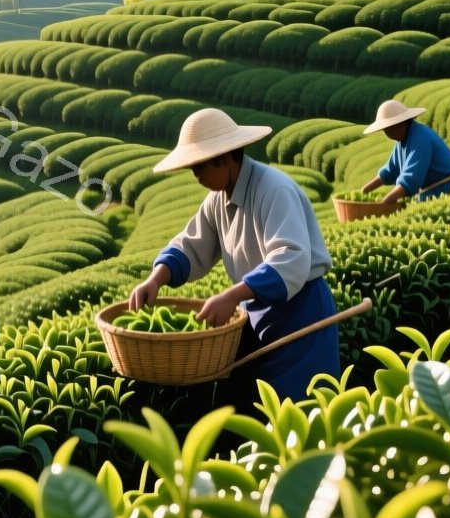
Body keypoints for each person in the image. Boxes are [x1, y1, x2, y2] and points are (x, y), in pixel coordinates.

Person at [128, 108, 337, 405]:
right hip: (257, 313)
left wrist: (232, 295)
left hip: (301, 316)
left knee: (299, 407)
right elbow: (191, 244)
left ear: (224, 158)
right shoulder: (218, 199)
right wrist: (156, 278)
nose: (197, 176)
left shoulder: (275, 190)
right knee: (253, 406)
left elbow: (290, 258)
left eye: (200, 167)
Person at [359, 100, 450, 203]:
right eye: (385, 129)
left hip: (448, 190)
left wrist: (383, 203)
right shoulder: (402, 140)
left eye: (389, 128)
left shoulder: (420, 137)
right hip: (430, 194)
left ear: (401, 123)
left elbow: (410, 179)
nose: (387, 132)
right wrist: (363, 191)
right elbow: (390, 171)